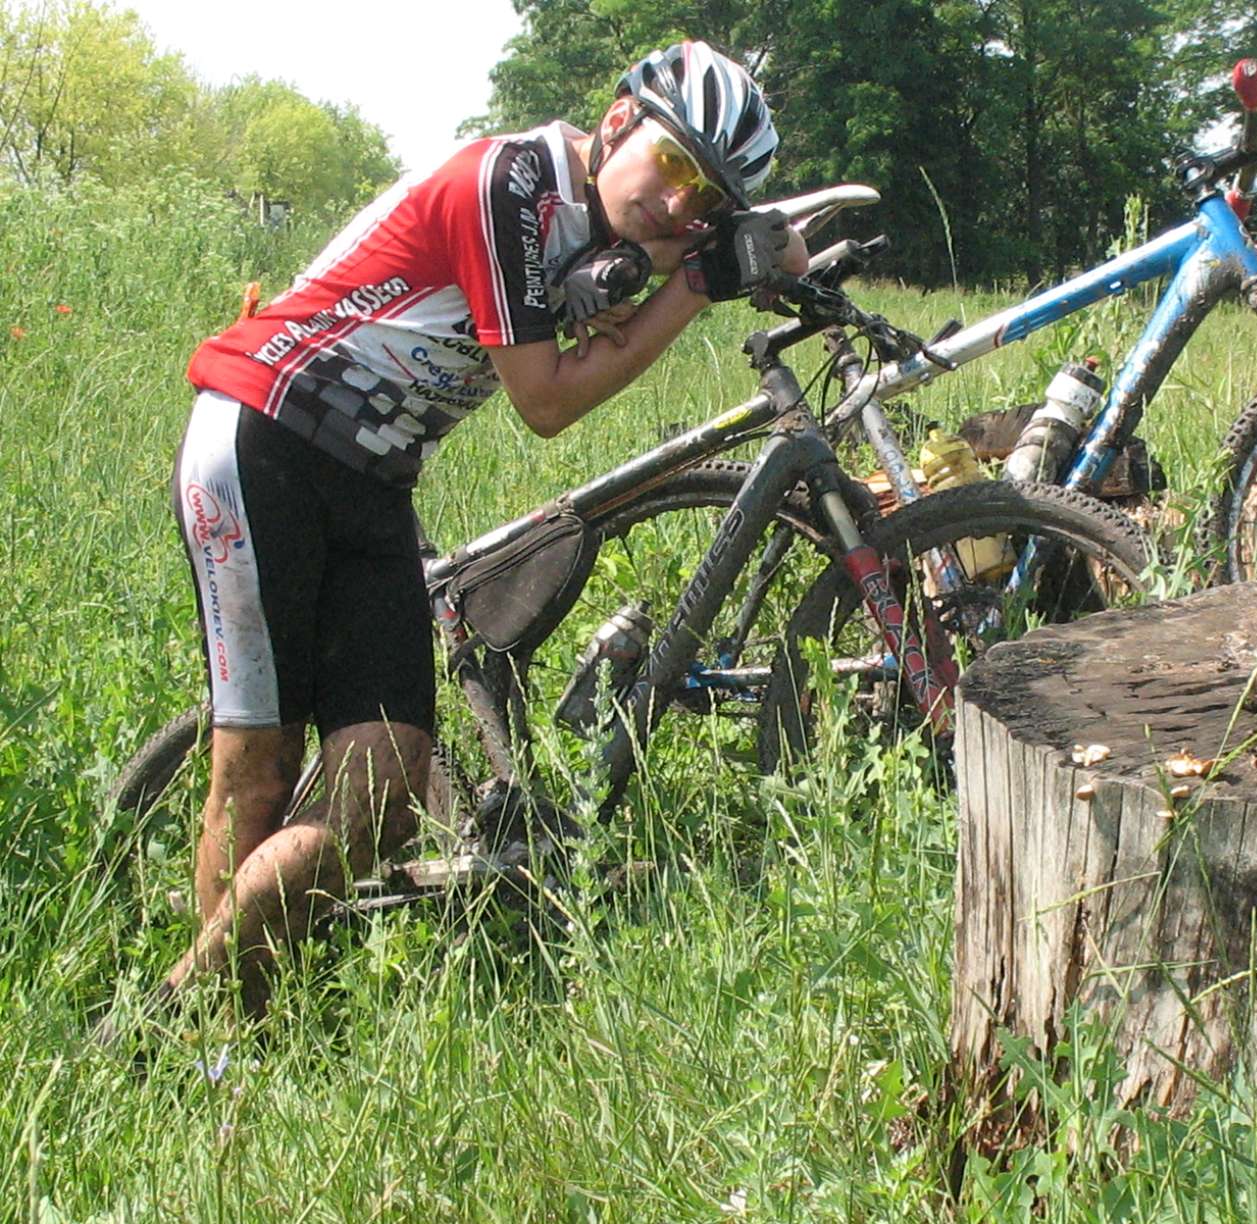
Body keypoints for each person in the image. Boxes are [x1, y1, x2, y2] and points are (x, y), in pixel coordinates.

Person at [134, 40, 807, 1025]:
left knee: (388, 784)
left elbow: (752, 253)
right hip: (262, 436)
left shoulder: (614, 228)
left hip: (372, 480)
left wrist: (761, 249)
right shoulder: (507, 184)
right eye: (671, 163)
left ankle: (190, 1008)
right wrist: (695, 286)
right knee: (260, 765)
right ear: (617, 121)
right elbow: (546, 400)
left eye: (702, 194)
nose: (677, 201)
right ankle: (210, 1037)